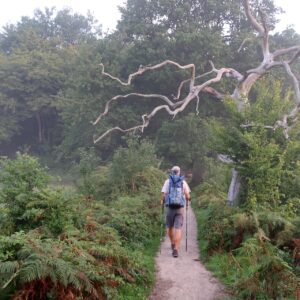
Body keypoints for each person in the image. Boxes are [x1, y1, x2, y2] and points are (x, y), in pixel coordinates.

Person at [161, 166, 191, 257]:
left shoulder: (167, 181)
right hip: (180, 208)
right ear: (179, 172)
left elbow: (163, 195)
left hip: (170, 207)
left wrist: (162, 203)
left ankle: (172, 243)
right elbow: (187, 195)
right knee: (178, 228)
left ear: (172, 172)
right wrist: (188, 200)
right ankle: (176, 250)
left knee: (169, 227)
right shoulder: (183, 182)